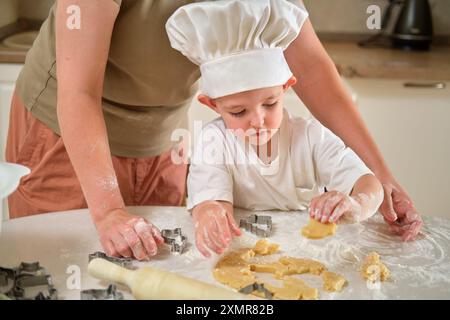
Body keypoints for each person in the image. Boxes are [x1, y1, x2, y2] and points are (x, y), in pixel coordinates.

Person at [6, 0, 421, 261]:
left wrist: (381, 180)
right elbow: (79, 92)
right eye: (240, 111)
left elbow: (311, 69)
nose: (257, 119)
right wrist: (109, 209)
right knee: (70, 267)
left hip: (163, 136)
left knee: (155, 267)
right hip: (66, 136)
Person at [167, 0, 384, 257]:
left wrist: (356, 204)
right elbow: (213, 202)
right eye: (238, 112)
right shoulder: (214, 142)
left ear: (286, 87)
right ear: (212, 105)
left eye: (270, 104)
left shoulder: (310, 137)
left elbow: (369, 184)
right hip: (243, 253)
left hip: (308, 252)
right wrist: (208, 212)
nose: (258, 120)